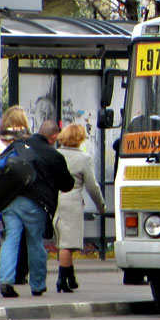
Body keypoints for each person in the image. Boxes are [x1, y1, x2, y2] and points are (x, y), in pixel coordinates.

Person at [0, 119, 73, 298]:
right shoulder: (53, 155)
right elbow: (67, 184)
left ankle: (6, 281)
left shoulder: (18, 145)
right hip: (36, 204)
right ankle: (38, 284)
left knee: (11, 239)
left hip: (10, 200)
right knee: (35, 242)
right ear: (53, 136)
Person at [53, 124, 105, 293]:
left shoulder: (56, 154)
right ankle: (62, 279)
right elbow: (92, 186)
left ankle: (70, 276)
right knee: (67, 244)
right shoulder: (83, 158)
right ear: (79, 139)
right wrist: (101, 205)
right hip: (72, 203)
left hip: (56, 200)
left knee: (64, 240)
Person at [0, 106, 33, 284]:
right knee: (26, 235)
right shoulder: (29, 142)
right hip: (26, 192)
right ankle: (21, 272)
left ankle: (7, 274)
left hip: (5, 193)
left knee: (10, 235)